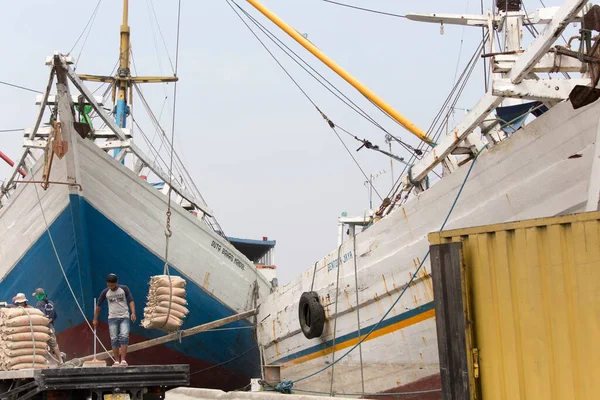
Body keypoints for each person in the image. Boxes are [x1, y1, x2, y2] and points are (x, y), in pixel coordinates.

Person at [93, 274, 136, 367]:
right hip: (112, 318)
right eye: (108, 285)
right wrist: (95, 318)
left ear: (116, 283)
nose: (110, 287)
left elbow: (131, 300)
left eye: (112, 285)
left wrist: (133, 312)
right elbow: (98, 305)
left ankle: (123, 360)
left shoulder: (124, 289)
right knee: (114, 338)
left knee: (124, 336)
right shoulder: (105, 292)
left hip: (124, 316)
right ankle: (116, 360)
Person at [32, 288, 64, 364]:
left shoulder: (39, 304)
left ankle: (46, 363)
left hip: (43, 328)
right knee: (54, 345)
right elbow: (55, 316)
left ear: (38, 296)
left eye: (36, 296)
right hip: (51, 327)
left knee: (43, 345)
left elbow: (41, 315)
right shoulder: (51, 303)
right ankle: (60, 361)